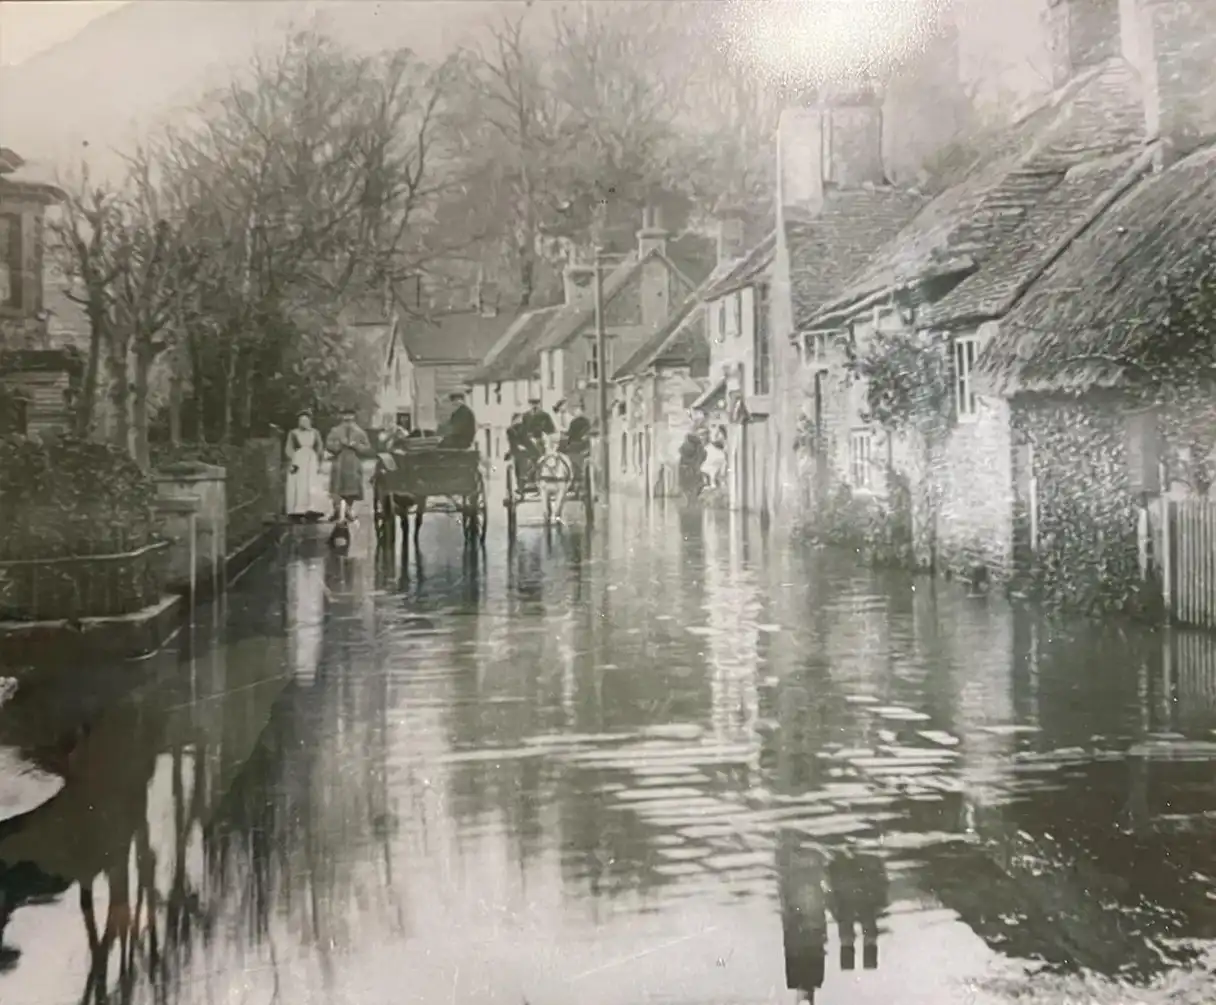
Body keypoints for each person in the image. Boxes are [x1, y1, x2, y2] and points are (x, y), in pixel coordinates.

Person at [325, 407, 371, 524]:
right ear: (341, 416)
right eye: (345, 415)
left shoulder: (360, 432)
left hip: (353, 462)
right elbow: (329, 444)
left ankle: (348, 510)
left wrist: (356, 446)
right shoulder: (335, 431)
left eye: (350, 415)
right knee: (337, 486)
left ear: (354, 417)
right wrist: (339, 445)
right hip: (339, 460)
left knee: (352, 488)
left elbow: (367, 448)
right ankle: (337, 510)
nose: (348, 418)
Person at [284, 411, 325, 522]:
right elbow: (289, 448)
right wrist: (292, 460)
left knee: (312, 483)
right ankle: (297, 511)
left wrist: (319, 461)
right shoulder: (293, 433)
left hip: (312, 459)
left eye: (306, 420)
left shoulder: (315, 433)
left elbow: (319, 447)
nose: (304, 423)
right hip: (299, 459)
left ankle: (313, 509)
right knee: (299, 483)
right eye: (301, 420)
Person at [678, 429, 706, 501]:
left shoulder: (684, 449)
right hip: (693, 472)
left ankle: (690, 501)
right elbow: (701, 458)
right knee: (693, 490)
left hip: (687, 472)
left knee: (688, 490)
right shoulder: (699, 449)